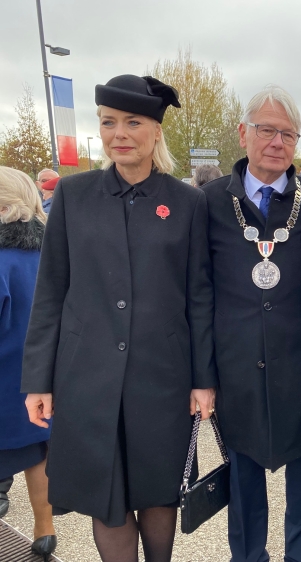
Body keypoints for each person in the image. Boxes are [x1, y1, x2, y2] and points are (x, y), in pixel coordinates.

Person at [21, 74, 217, 562]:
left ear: (156, 132)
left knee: (156, 490)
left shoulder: (188, 203)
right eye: (109, 123)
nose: (119, 133)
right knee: (105, 498)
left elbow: (198, 298)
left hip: (162, 376)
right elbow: (50, 291)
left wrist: (202, 379)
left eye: (133, 122)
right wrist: (38, 380)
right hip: (87, 376)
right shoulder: (72, 195)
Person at [202, 85, 301, 562]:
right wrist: (202, 373)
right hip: (235, 366)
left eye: (288, 134)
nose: (277, 142)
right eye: (266, 130)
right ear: (243, 134)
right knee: (243, 476)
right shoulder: (211, 201)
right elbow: (198, 292)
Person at [0, 166, 56, 560]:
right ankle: (45, 529)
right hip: (42, 375)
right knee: (40, 451)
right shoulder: (48, 252)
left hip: (3, 379)